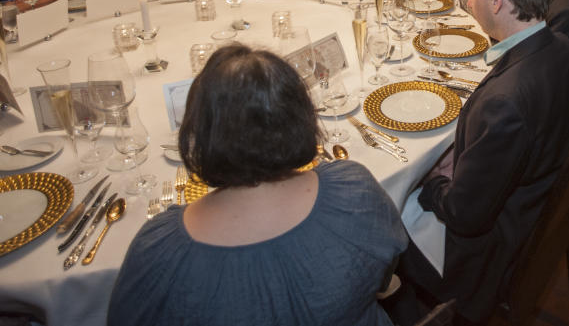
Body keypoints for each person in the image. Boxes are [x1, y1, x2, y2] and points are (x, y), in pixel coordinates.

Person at [108, 45, 408, 326]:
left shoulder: (159, 253)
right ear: (302, 118)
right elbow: (382, 278)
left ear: (199, 134)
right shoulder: (356, 192)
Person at [397, 0, 569, 322]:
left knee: (380, 217)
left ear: (497, 0)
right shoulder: (564, 48)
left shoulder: (505, 104)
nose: (468, 3)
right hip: (526, 204)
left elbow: (465, 214)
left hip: (483, 253)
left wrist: (427, 179)